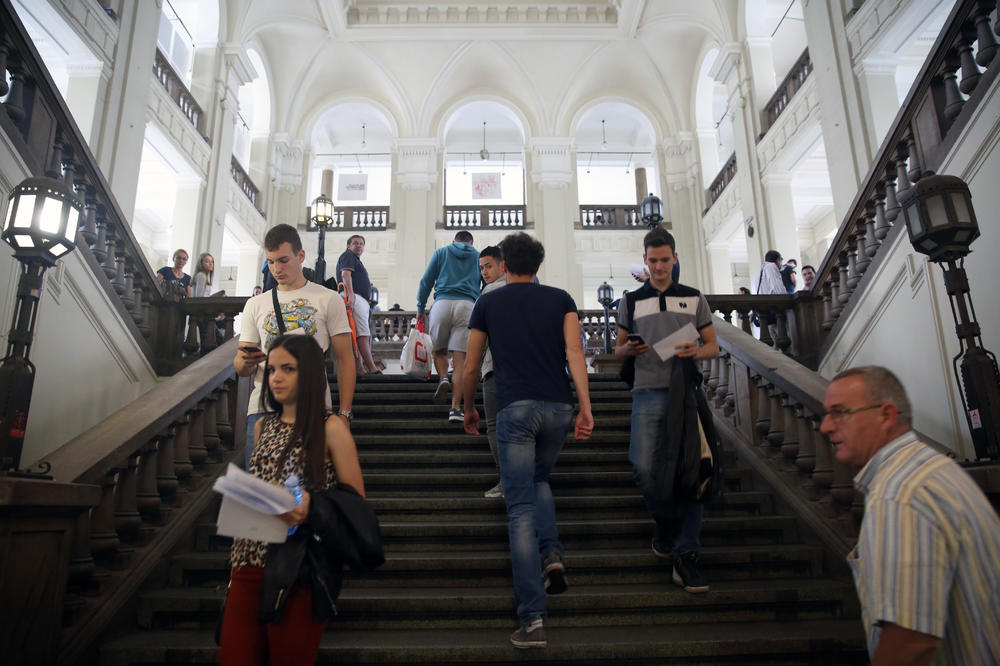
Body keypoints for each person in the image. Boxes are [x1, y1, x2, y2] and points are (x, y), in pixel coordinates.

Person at [462, 232, 594, 649]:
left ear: (504, 262)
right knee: (539, 481)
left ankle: (533, 617)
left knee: (519, 509)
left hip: (514, 409)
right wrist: (586, 406)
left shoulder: (488, 301)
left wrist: (466, 405)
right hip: (557, 407)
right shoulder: (562, 299)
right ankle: (551, 552)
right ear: (539, 263)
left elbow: (470, 364)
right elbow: (575, 354)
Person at [820, 366, 1000, 665]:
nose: (825, 426)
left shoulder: (900, 493)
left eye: (838, 412)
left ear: (886, 415)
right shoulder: (930, 469)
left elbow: (910, 641)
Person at [218, 334, 366, 666]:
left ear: (311, 374)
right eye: (271, 370)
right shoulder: (263, 427)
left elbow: (356, 502)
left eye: (288, 368)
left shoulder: (332, 428)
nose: (276, 377)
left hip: (298, 566)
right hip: (247, 563)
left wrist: (310, 507)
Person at [615, 227, 719, 594]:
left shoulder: (693, 297)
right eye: (653, 261)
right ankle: (665, 522)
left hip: (685, 394)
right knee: (643, 466)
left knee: (692, 469)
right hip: (647, 392)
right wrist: (629, 351)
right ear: (645, 261)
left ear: (674, 259)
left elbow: (713, 346)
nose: (659, 267)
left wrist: (695, 351)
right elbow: (619, 349)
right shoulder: (631, 300)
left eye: (665, 260)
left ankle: (686, 552)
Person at [234, 224, 356, 464]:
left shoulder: (328, 298)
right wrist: (245, 361)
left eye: (283, 260)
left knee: (311, 483)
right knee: (261, 490)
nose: (276, 269)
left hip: (313, 406)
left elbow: (345, 358)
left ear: (300, 256)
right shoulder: (256, 304)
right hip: (263, 408)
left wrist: (344, 412)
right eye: (270, 262)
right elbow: (240, 366)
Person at [416, 230, 480, 423]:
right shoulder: (478, 256)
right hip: (468, 306)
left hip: (442, 304)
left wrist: (420, 307)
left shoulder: (441, 252)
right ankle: (455, 409)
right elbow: (487, 283)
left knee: (439, 351)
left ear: (454, 241)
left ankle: (443, 377)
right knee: (460, 361)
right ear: (471, 242)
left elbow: (426, 281)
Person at [475, 245, 506, 498]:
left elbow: (479, 338)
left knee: (495, 425)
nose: (484, 272)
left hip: (495, 367)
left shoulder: (489, 292)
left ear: (502, 265)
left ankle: (506, 480)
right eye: (482, 267)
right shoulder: (531, 287)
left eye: (488, 266)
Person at [330, 235, 380, 375]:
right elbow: (346, 274)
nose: (359, 245)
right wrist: (350, 295)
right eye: (355, 243)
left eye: (361, 244)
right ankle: (372, 368)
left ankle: (360, 367)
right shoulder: (348, 256)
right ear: (348, 246)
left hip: (358, 299)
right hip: (354, 297)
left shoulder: (355, 259)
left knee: (356, 334)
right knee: (363, 334)